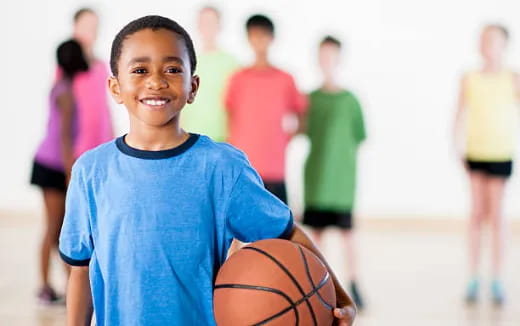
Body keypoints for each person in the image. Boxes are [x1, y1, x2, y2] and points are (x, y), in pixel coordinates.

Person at [58, 16, 356, 326]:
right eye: (140, 70)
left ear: (193, 86)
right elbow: (80, 271)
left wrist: (341, 298)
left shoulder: (221, 168)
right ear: (116, 87)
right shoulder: (91, 171)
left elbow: (287, 232)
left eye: (173, 69)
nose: (156, 81)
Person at [453, 24, 520, 305]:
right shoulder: (469, 78)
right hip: (476, 152)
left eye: (492, 40)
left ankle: (496, 278)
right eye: (483, 40)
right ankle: (473, 277)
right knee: (476, 214)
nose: (487, 45)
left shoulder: (512, 78)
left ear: (504, 44)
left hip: (500, 152)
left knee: (498, 215)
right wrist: (456, 146)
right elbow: (458, 114)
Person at [302, 36, 367, 309]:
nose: (327, 61)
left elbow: (360, 136)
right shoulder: (309, 99)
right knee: (315, 238)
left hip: (341, 182)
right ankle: (317, 285)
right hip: (316, 178)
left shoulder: (350, 100)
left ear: (339, 59)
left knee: (347, 235)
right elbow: (300, 129)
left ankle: (354, 283)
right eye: (323, 56)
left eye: (332, 56)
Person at [225, 14, 306, 204]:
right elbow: (230, 115)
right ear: (248, 40)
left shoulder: (285, 79)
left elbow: (301, 115)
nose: (259, 42)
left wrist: (284, 139)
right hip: (245, 168)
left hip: (275, 168)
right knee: (241, 228)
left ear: (272, 39)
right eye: (254, 36)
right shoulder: (238, 78)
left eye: (263, 36)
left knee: (279, 228)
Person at [31, 39, 88, 304]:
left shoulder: (61, 86)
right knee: (54, 228)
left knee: (56, 230)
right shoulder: (65, 92)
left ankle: (64, 284)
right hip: (53, 167)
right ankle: (45, 286)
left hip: (48, 163)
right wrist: (70, 173)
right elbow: (65, 138)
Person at [181, 5, 238, 142]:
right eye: (204, 22)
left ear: (219, 26)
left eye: (212, 22)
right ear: (198, 25)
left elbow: (237, 103)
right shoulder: (185, 61)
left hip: (222, 137)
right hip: (190, 136)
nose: (208, 27)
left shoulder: (232, 63)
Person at [71, 7, 114, 158]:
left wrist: (112, 137)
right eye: (86, 25)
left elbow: (105, 106)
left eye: (95, 26)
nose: (91, 30)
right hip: (76, 145)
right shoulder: (67, 66)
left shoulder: (101, 66)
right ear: (75, 27)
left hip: (101, 142)